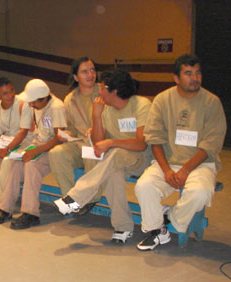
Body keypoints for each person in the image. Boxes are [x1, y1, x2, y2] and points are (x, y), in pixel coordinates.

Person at [135, 54, 226, 250]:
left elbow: (210, 144)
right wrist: (167, 170)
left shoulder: (212, 102)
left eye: (198, 73)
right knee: (144, 186)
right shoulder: (162, 100)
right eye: (188, 74)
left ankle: (171, 221)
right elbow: (154, 139)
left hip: (200, 164)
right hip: (167, 162)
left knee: (200, 192)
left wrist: (185, 169)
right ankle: (157, 230)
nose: (195, 78)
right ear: (176, 78)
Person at [54, 69, 151, 243]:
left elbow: (141, 143)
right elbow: (98, 144)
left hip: (141, 159)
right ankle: (123, 227)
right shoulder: (106, 108)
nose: (99, 92)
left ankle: (77, 196)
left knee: (115, 153)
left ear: (113, 90)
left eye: (102, 88)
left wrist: (112, 142)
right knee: (114, 173)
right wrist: (96, 115)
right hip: (116, 161)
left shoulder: (141, 105)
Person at [0, 79, 66, 229]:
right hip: (39, 145)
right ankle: (5, 208)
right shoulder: (38, 106)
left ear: (43, 98)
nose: (30, 105)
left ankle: (31, 214)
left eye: (33, 102)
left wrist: (36, 151)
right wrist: (31, 149)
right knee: (16, 163)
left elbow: (60, 138)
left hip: (53, 150)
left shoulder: (56, 107)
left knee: (31, 165)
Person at [49, 57, 102, 215]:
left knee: (90, 153)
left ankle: (90, 198)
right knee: (56, 153)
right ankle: (71, 198)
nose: (90, 74)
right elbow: (71, 127)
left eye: (92, 70)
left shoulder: (105, 92)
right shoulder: (70, 99)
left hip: (100, 143)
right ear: (76, 77)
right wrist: (67, 134)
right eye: (84, 71)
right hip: (80, 143)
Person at [0, 77, 34, 218]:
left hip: (26, 142)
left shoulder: (24, 105)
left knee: (7, 161)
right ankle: (7, 188)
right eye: (5, 93)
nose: (10, 95)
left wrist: (8, 149)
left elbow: (23, 132)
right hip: (7, 142)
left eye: (11, 91)